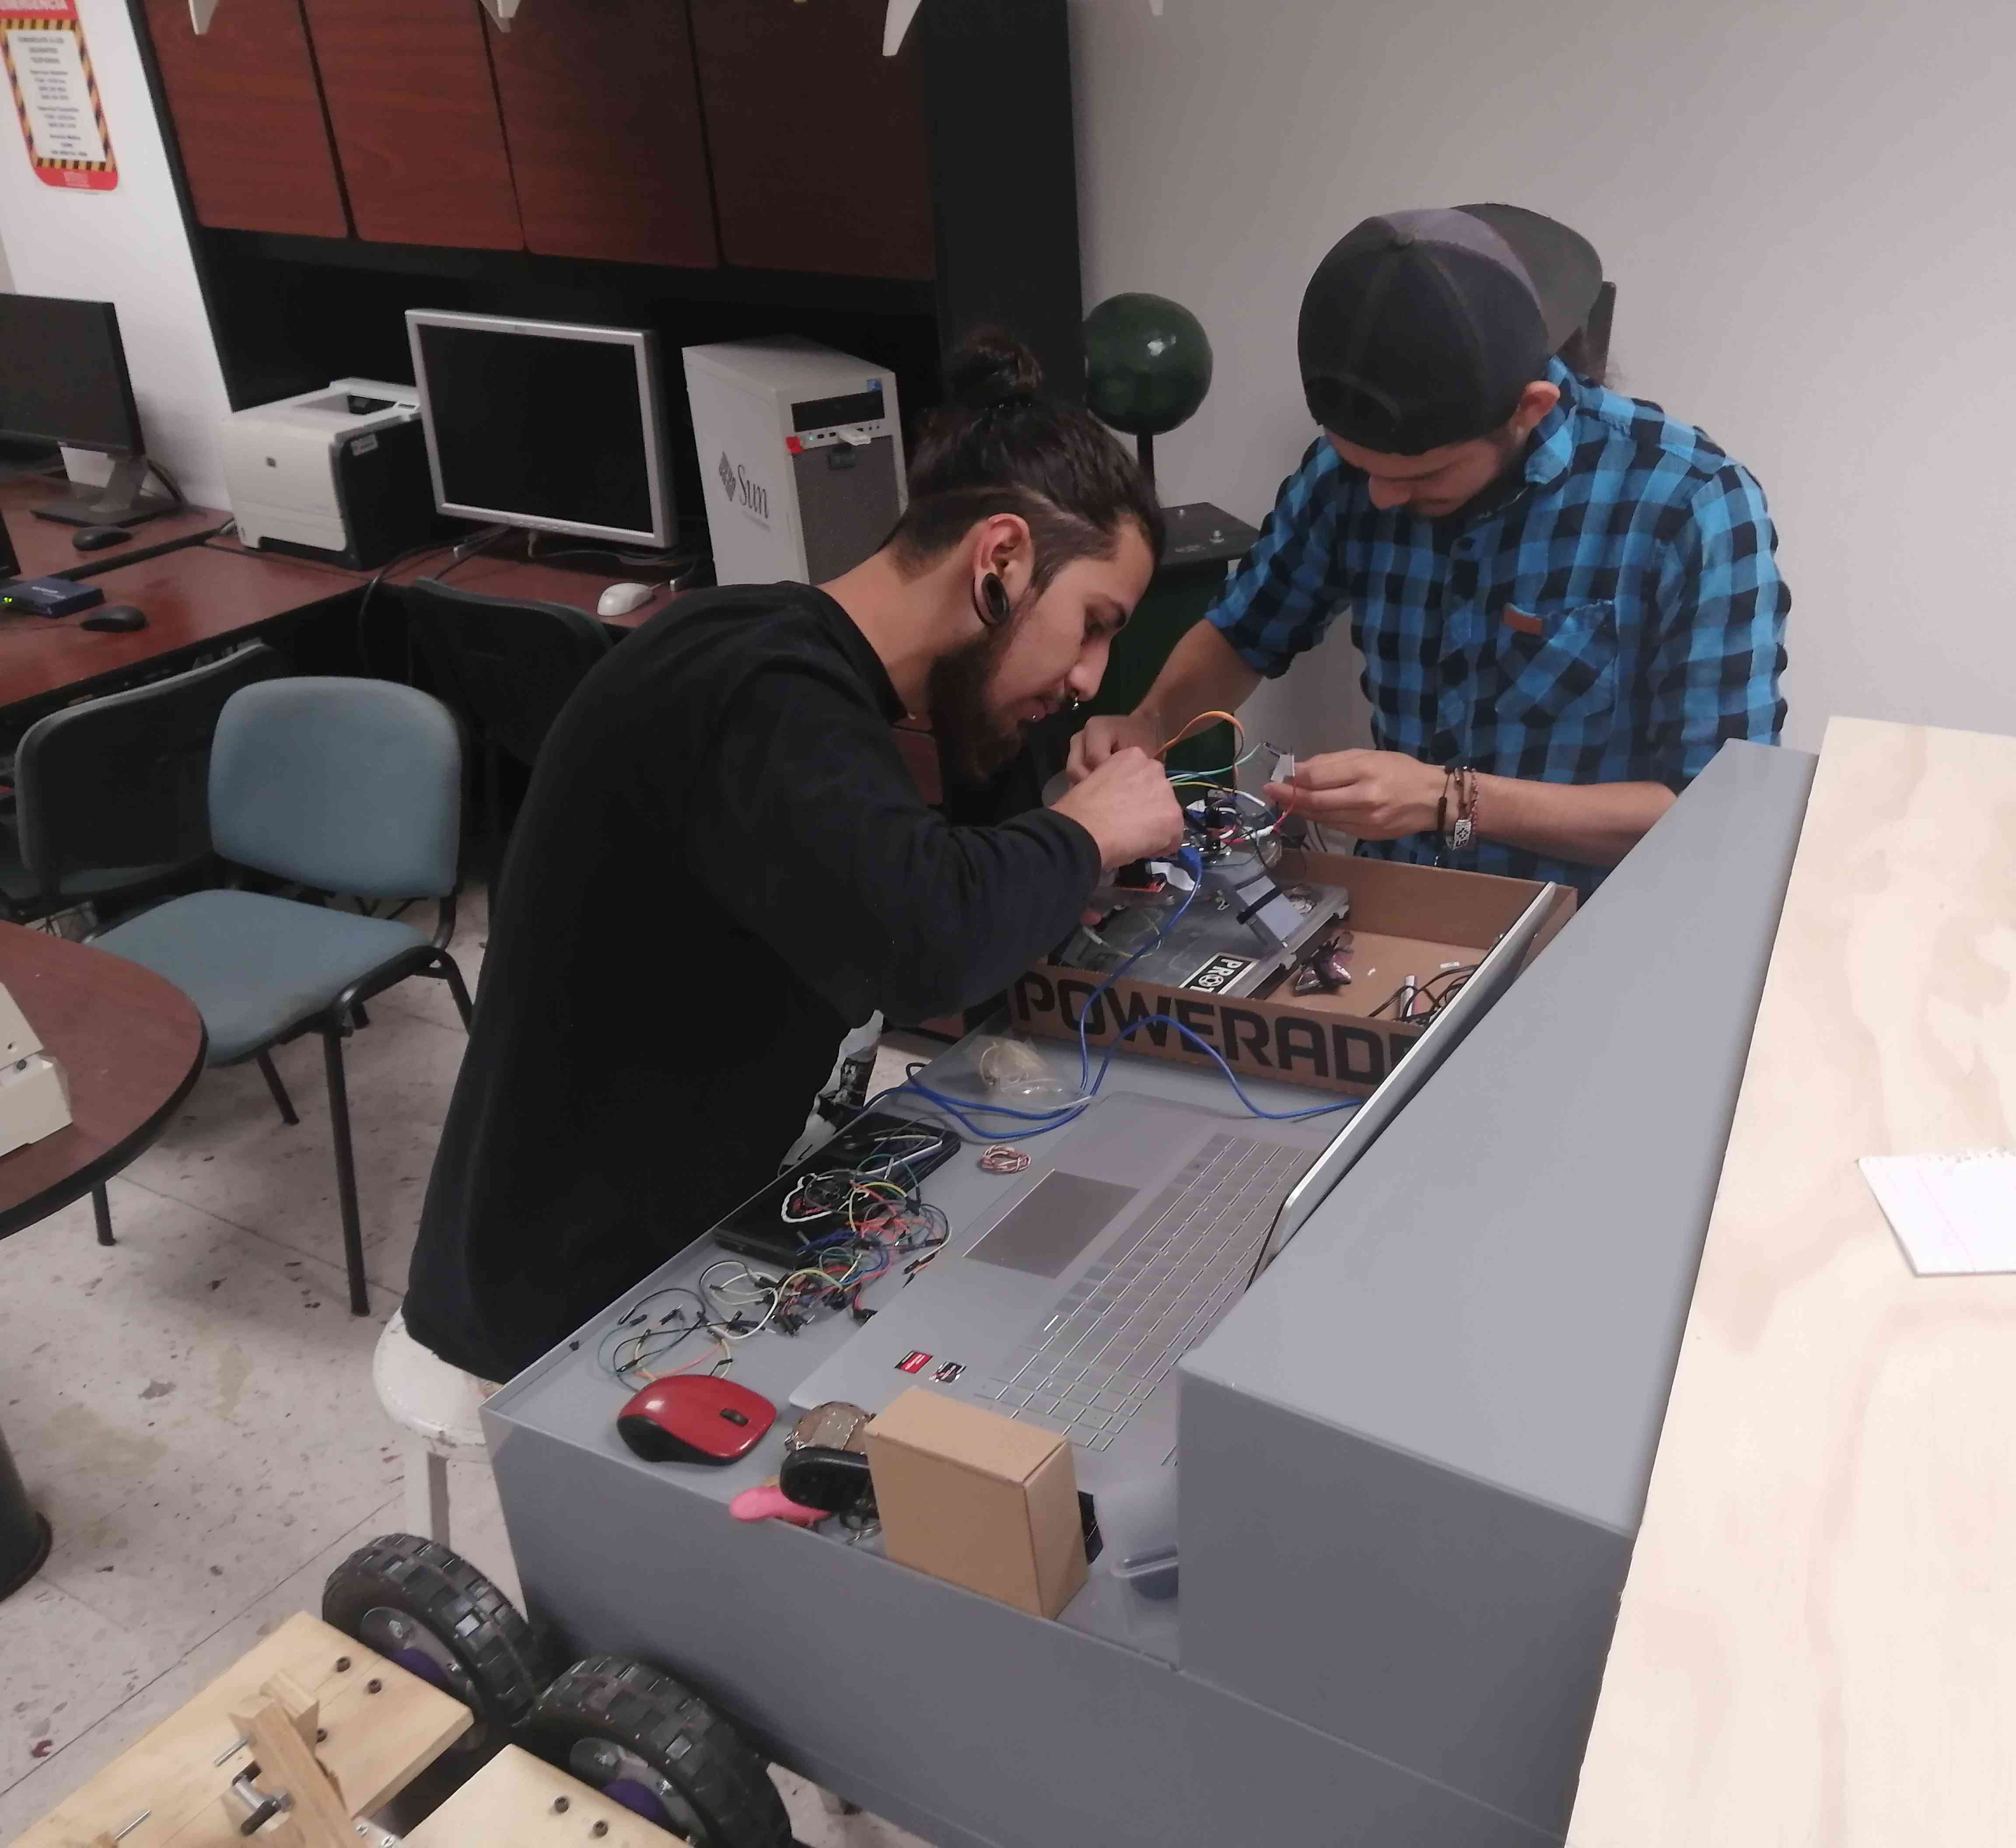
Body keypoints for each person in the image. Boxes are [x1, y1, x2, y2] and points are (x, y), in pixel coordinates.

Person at [404, 333, 1186, 1382]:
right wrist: (1085, 832)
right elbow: (930, 944)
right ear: (998, 561)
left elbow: (922, 867)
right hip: (576, 1306)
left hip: (695, 1224)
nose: (1090, 678)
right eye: (1091, 626)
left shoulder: (789, 657)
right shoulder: (761, 693)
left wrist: (1050, 858)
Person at [1069, 204, 1790, 899]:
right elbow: (1246, 631)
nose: (1382, 497)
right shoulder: (1347, 476)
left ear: (1529, 409)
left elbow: (1711, 810)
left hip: (1594, 925)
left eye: (1423, 477)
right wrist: (1150, 723)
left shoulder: (1690, 505)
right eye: (1362, 466)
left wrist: (1451, 799)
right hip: (1401, 909)